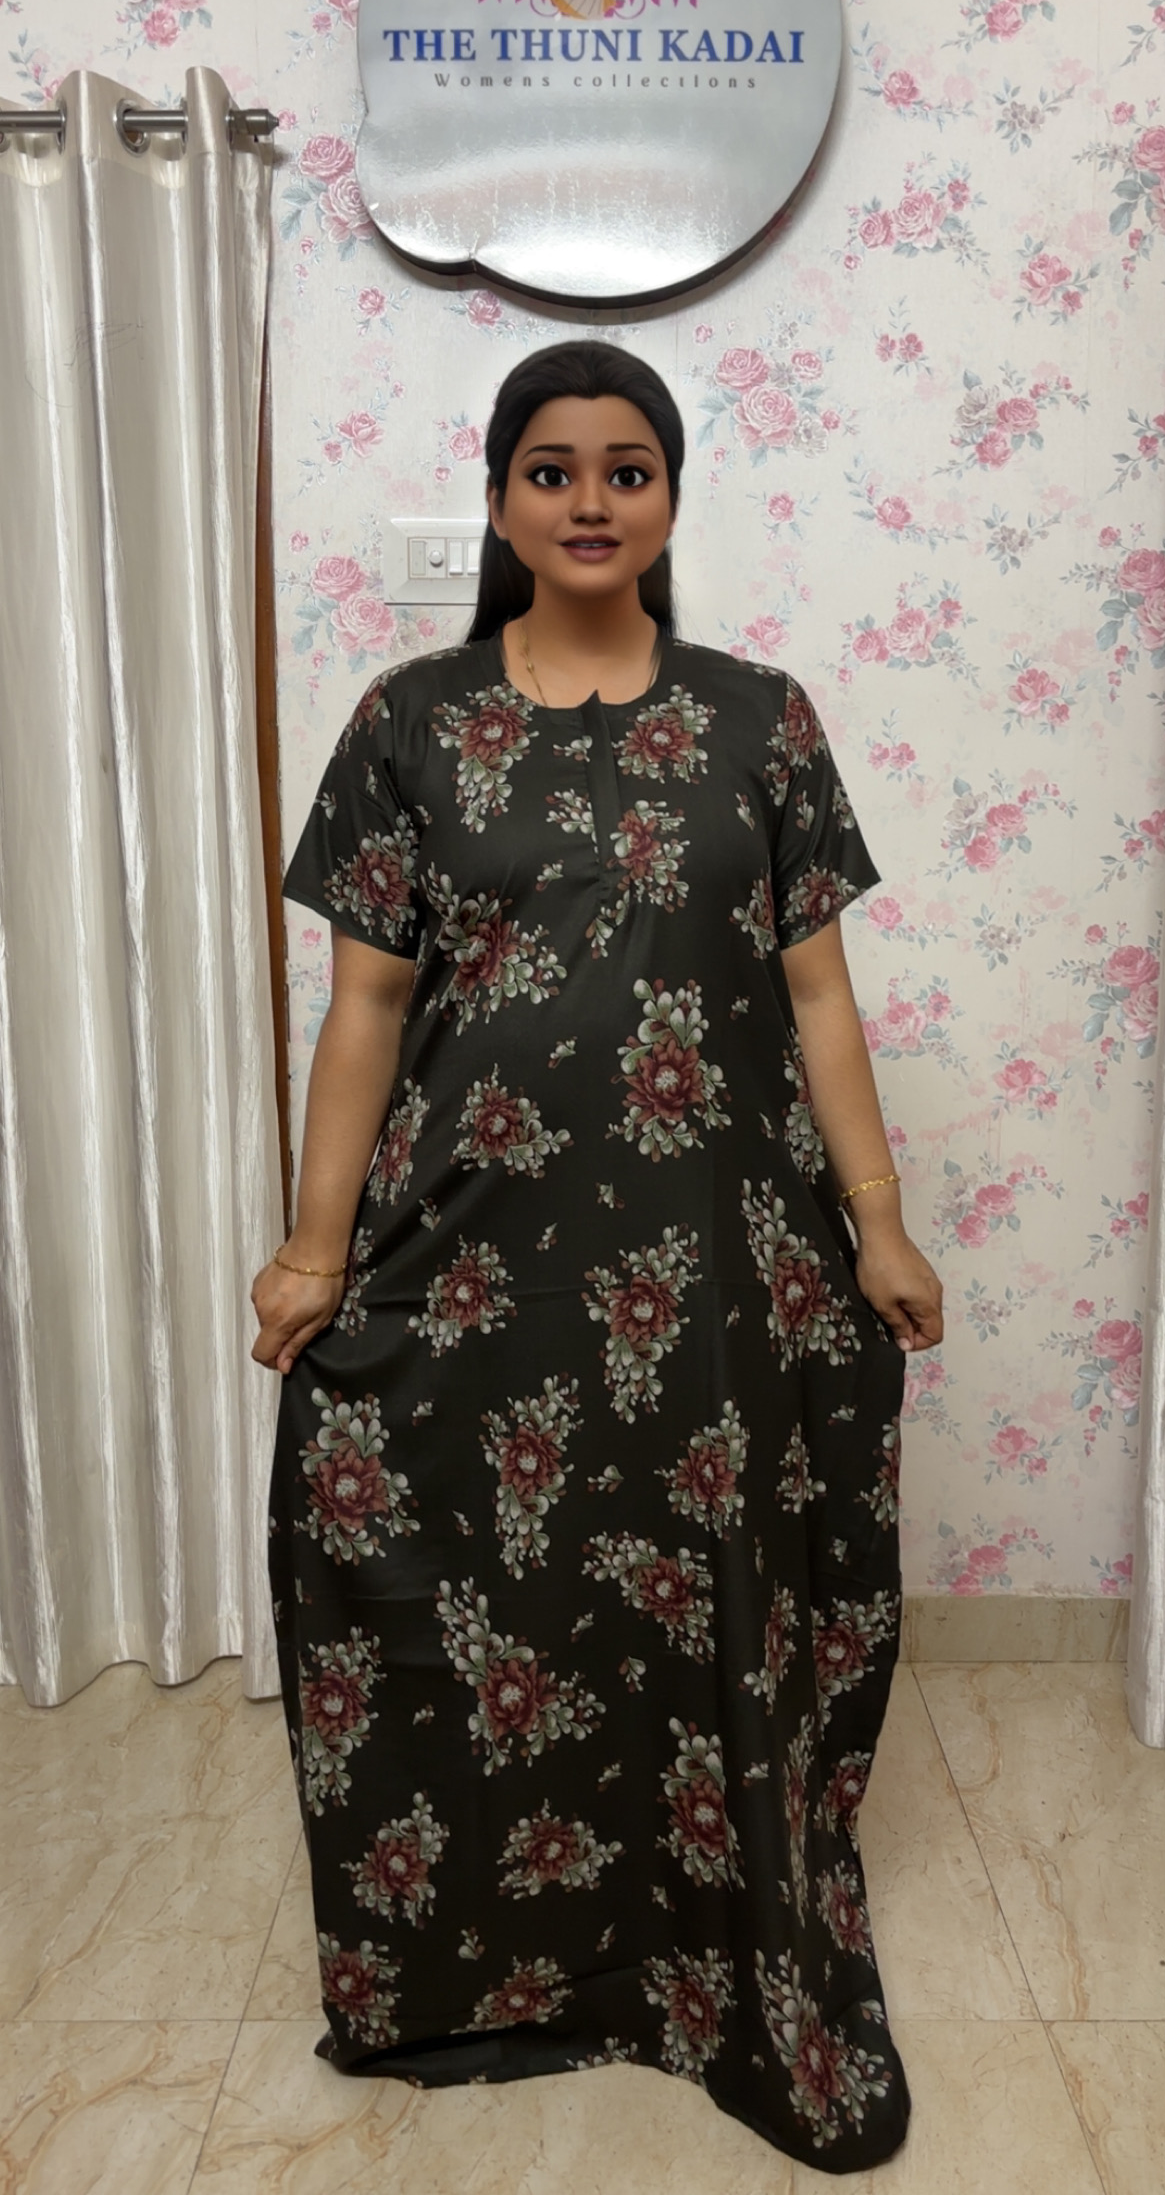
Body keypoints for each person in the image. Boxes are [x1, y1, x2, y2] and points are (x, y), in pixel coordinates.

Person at [252, 338, 943, 2175]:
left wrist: (878, 1222)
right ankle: (488, 1959)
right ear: (498, 499)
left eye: (624, 468)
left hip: (717, 1264)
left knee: (702, 1600)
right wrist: (313, 1251)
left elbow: (816, 995)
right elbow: (367, 1008)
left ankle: (707, 1961)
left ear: (668, 498)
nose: (586, 499)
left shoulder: (759, 720)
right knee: (485, 1595)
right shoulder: (410, 720)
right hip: (475, 1258)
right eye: (548, 468)